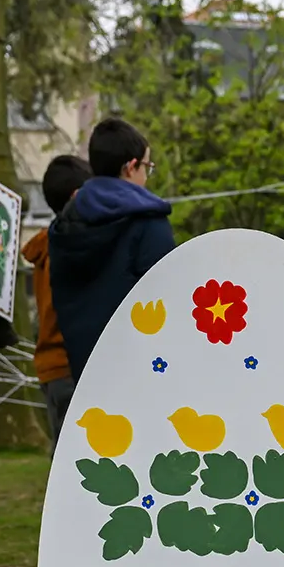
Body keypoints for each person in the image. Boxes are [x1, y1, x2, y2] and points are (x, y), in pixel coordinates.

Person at [49, 119, 176, 380]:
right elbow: (168, 301)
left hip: (85, 374)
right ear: (131, 167)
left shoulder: (64, 225)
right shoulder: (149, 224)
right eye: (146, 167)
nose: (146, 177)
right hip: (141, 374)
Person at [24, 155, 92, 444]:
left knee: (64, 450)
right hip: (68, 365)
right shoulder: (66, 250)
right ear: (78, 197)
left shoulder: (48, 244)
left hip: (52, 368)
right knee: (75, 453)